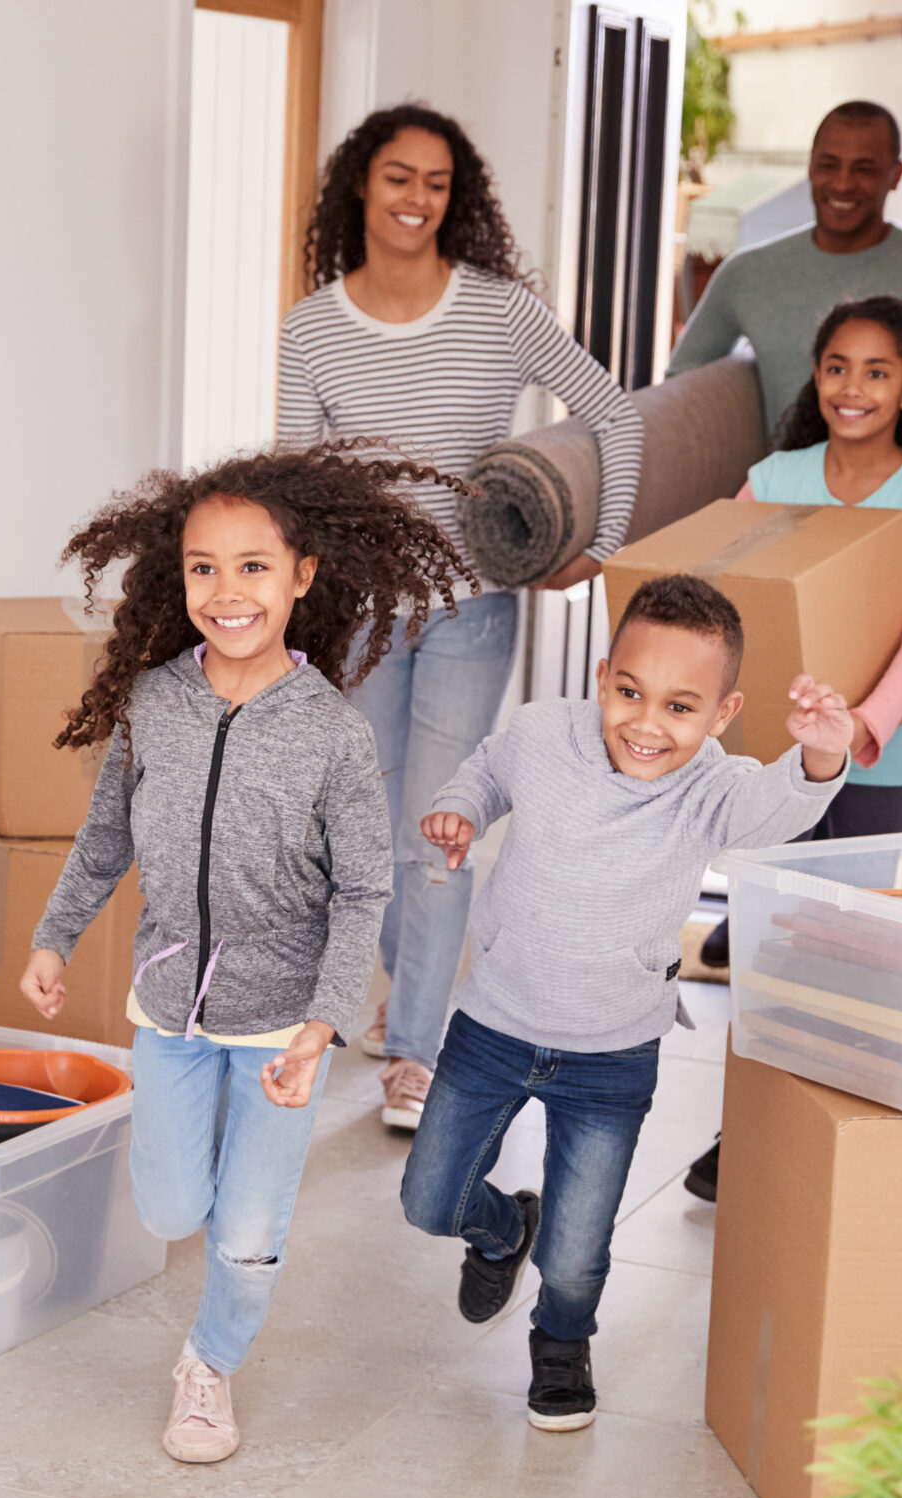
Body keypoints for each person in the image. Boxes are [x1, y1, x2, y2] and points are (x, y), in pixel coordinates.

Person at [22, 443, 464, 1465]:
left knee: (246, 1235)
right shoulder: (153, 705)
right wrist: (54, 936)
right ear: (176, 579)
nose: (226, 592)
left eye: (253, 566)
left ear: (302, 575)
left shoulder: (332, 737)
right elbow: (104, 840)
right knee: (175, 1205)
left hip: (283, 1030)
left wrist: (325, 1023)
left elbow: (363, 891)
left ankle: (209, 1366)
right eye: (202, 568)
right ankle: (223, 1211)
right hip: (169, 1005)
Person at [398, 576, 850, 1430]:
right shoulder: (541, 733)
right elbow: (488, 769)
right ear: (603, 675)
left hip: (612, 1052)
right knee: (429, 1198)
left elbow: (777, 807)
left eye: (681, 707)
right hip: (495, 1019)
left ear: (722, 714)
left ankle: (562, 1345)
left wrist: (821, 755)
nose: (646, 724)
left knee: (577, 1251)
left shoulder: (712, 787)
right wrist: (461, 808)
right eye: (629, 692)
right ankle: (500, 1230)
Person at [278, 103, 644, 1135]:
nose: (416, 199)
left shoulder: (497, 311)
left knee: (434, 838)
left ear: (456, 197)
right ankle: (409, 984)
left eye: (436, 183)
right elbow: (295, 482)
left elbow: (612, 410)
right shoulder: (310, 327)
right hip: (356, 619)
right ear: (362, 184)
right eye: (399, 177)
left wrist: (600, 547)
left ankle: (414, 1057)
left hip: (472, 609)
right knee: (372, 834)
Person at [676, 296, 902, 1204]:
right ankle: (746, 1133)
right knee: (775, 941)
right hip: (778, 751)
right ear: (815, 377)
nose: (852, 388)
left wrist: (861, 724)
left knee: (845, 943)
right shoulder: (773, 479)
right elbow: (713, 587)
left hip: (878, 757)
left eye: (877, 372)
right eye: (837, 368)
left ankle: (822, 1132)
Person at [668, 100, 902, 618]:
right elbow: (682, 397)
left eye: (864, 169)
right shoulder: (749, 274)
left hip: (901, 541)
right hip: (781, 531)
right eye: (829, 164)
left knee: (892, 691)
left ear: (896, 176)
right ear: (809, 166)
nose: (842, 183)